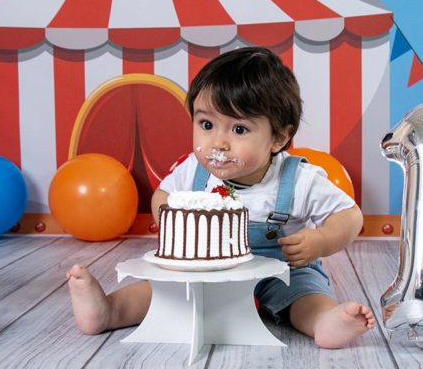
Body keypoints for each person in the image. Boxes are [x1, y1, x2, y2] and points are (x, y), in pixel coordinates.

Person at [67, 47, 374, 349]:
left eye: (239, 129)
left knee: (305, 294)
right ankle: (110, 310)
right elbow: (163, 196)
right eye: (207, 125)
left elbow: (349, 216)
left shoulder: (297, 178)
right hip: (209, 270)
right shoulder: (194, 170)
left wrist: (321, 240)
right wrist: (173, 222)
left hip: (282, 269)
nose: (218, 143)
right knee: (164, 290)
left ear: (278, 137)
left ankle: (324, 322)